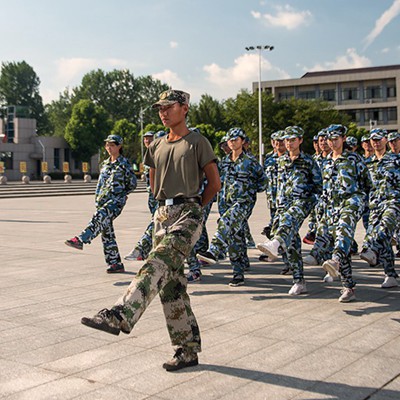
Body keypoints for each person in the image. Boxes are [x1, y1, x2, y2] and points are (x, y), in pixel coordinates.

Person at [81, 89, 221, 372]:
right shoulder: (155, 145)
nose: (163, 112)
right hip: (162, 215)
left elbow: (214, 184)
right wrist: (162, 208)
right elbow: (154, 184)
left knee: (155, 262)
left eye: (169, 107)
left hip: (188, 212)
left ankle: (120, 313)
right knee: (172, 286)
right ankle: (187, 350)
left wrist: (195, 208)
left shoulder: (197, 142)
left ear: (184, 108)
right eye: (160, 108)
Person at [196, 127, 267, 286]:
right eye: (230, 140)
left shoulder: (250, 162)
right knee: (235, 238)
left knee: (226, 222)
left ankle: (214, 250)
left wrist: (248, 191)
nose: (232, 143)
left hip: (242, 204)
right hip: (225, 204)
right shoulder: (224, 162)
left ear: (243, 141)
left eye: (236, 140)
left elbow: (263, 183)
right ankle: (238, 273)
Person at [257, 126, 322, 295]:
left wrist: (313, 203)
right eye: (287, 140)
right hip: (284, 204)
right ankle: (299, 281)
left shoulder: (308, 162)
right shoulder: (280, 161)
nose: (289, 143)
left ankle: (274, 244)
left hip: (302, 202)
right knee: (292, 243)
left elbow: (319, 186)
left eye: (293, 140)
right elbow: (279, 186)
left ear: (300, 140)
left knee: (288, 220)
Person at [313, 125, 370, 302]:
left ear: (343, 138)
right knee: (340, 240)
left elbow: (367, 183)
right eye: (329, 139)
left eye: (335, 139)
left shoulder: (354, 158)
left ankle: (335, 260)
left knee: (344, 230)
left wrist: (361, 202)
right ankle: (348, 286)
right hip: (332, 206)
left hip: (351, 202)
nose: (332, 142)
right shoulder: (326, 161)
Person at [65, 134, 137, 273]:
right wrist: (97, 199)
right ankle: (115, 263)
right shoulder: (104, 164)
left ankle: (81, 239)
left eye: (112, 145)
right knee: (107, 232)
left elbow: (132, 183)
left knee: (100, 218)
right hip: (102, 202)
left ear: (119, 146)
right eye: (107, 145)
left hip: (115, 202)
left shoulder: (124, 164)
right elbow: (100, 184)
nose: (109, 147)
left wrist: (122, 194)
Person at [360, 128, 400, 288]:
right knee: (380, 238)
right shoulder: (368, 164)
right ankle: (390, 274)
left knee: (383, 230)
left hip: (394, 202)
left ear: (386, 140)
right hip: (375, 205)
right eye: (373, 140)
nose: (376, 142)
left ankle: (373, 251)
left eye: (379, 139)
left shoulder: (396, 160)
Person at [125, 131, 157, 261]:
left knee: (157, 222)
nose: (147, 141)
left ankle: (141, 249)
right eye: (145, 139)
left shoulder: (159, 154)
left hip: (161, 196)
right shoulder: (148, 155)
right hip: (152, 195)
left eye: (150, 138)